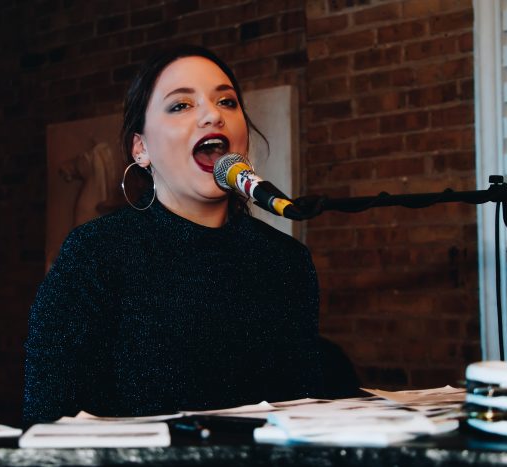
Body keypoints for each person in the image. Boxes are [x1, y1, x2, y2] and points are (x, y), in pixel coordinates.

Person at [23, 45, 324, 427]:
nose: (213, 115)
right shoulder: (93, 255)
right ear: (141, 149)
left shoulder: (285, 262)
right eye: (181, 105)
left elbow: (304, 417)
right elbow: (48, 425)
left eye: (227, 102)